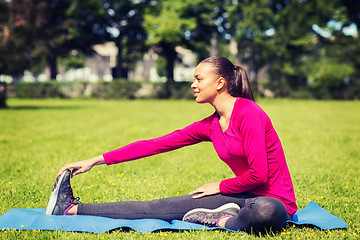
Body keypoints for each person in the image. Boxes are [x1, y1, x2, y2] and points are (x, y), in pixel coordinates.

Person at [45, 56, 297, 232]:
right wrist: (95, 160)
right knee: (156, 208)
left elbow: (260, 175)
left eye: (199, 79)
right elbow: (155, 144)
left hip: (274, 200)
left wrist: (219, 186)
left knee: (265, 211)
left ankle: (225, 222)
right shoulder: (209, 125)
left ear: (220, 83)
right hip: (239, 195)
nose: (193, 85)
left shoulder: (248, 112)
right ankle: (71, 209)